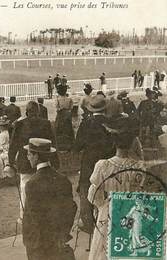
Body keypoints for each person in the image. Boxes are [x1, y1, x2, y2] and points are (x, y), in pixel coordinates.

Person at [87, 117, 145, 260]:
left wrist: (103, 205)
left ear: (114, 142)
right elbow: (142, 194)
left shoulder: (103, 165)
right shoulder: (139, 167)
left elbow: (93, 195)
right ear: (132, 143)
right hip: (131, 213)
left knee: (105, 249)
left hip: (109, 212)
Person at [23, 138, 76, 260]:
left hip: (39, 245)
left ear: (36, 156)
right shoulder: (63, 179)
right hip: (59, 240)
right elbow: (71, 208)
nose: (27, 157)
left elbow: (33, 218)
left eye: (29, 154)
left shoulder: (32, 183)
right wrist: (63, 233)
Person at [73, 95, 115, 234]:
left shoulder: (87, 123)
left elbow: (77, 146)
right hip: (109, 163)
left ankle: (88, 223)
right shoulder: (112, 122)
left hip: (89, 163)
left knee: (86, 189)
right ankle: (107, 221)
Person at [7, 101, 55, 221]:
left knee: (25, 189)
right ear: (38, 112)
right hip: (42, 161)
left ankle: (24, 217)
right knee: (43, 189)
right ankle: (42, 215)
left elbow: (13, 145)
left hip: (25, 161)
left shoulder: (20, 124)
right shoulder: (45, 123)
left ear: (26, 112)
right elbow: (53, 144)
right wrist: (55, 162)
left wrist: (10, 162)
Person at [55, 85, 74, 151]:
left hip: (60, 115)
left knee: (60, 129)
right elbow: (71, 108)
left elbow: (57, 108)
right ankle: (69, 145)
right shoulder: (69, 99)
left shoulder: (58, 99)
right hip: (67, 115)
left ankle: (61, 146)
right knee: (68, 129)